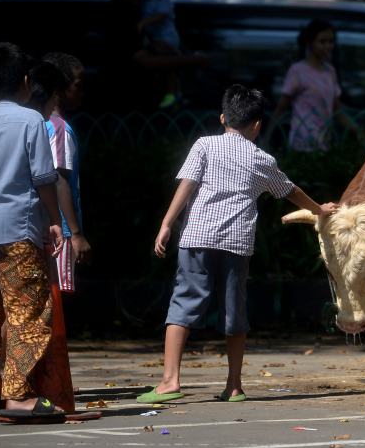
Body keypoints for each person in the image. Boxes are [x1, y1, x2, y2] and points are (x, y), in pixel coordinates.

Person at [140, 84, 338, 404]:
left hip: (198, 239)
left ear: (222, 118)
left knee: (182, 306)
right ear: (257, 125)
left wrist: (165, 224)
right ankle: (233, 385)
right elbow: (290, 190)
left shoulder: (204, 145)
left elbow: (187, 186)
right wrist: (320, 209)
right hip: (236, 244)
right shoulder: (262, 158)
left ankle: (169, 380)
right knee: (234, 313)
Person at [0, 43, 66, 421]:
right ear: (25, 81)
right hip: (16, 232)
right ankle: (19, 395)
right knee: (28, 312)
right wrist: (55, 221)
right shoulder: (30, 122)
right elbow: (43, 178)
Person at [102, 0, 209, 111]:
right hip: (129, 109)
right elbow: (147, 62)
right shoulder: (121, 23)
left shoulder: (138, 16)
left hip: (145, 108)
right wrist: (192, 60)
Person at [39, 53, 94, 289]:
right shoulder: (59, 128)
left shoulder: (36, 123)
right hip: (60, 232)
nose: (82, 93)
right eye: (78, 86)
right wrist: (76, 233)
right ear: (58, 88)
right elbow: (59, 180)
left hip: (41, 227)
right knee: (53, 303)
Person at [266, 19, 354, 151]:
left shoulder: (330, 72)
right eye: (322, 41)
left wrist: (357, 132)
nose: (328, 46)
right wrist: (266, 139)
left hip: (324, 145)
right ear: (309, 43)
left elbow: (337, 111)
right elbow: (281, 108)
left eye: (331, 41)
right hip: (300, 145)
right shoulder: (297, 71)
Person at [138, 0, 186, 110]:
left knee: (166, 66)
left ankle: (172, 93)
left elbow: (160, 16)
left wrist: (142, 24)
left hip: (166, 39)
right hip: (155, 40)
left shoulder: (166, 1)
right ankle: (178, 94)